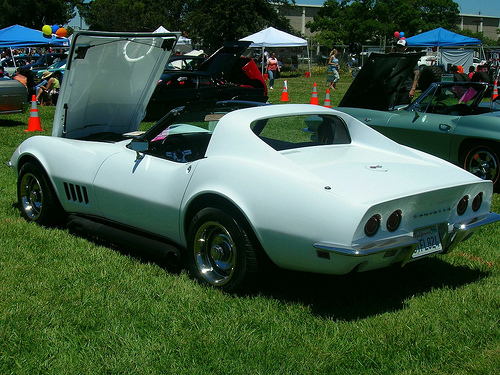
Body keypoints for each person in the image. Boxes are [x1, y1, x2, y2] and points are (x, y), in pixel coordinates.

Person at [394, 38, 420, 105]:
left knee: (403, 107)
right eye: (398, 47)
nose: (399, 49)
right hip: (396, 88)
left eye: (401, 47)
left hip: (407, 88)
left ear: (405, 48)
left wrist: (413, 89)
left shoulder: (410, 59)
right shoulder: (395, 59)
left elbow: (417, 74)